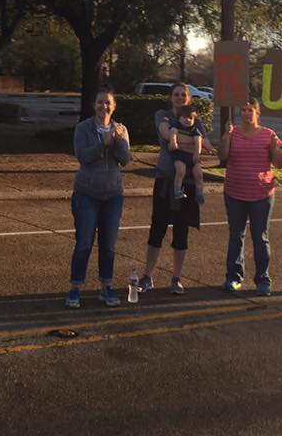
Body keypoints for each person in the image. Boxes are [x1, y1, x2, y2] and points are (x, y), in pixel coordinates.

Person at [137, 82, 211, 296]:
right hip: (166, 181)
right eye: (176, 94)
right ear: (171, 97)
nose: (179, 98)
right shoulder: (163, 115)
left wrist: (185, 141)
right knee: (157, 228)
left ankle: (176, 278)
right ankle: (147, 276)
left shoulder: (197, 120)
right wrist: (193, 141)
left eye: (183, 95)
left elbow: (207, 146)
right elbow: (168, 135)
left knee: (181, 231)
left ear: (189, 99)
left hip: (188, 183)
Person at [65, 86, 131, 309]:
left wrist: (117, 141)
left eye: (108, 102)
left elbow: (125, 159)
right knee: (84, 243)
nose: (104, 106)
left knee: (108, 245)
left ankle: (106, 286)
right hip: (87, 194)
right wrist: (103, 143)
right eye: (100, 102)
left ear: (114, 106)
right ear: (94, 105)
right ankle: (75, 287)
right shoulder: (83, 128)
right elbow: (83, 157)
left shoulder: (121, 129)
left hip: (113, 195)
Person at [218, 97, 282, 296]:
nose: (246, 113)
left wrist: (275, 148)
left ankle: (262, 280)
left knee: (260, 237)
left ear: (258, 113)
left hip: (261, 194)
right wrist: (226, 135)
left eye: (250, 110)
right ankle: (234, 277)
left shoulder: (268, 134)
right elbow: (222, 156)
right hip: (235, 193)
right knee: (236, 235)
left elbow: (279, 164)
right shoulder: (233, 132)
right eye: (243, 110)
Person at [168, 104, 205, 206]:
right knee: (180, 171)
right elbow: (173, 133)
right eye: (184, 117)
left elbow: (198, 141)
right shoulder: (176, 126)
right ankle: (177, 191)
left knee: (199, 174)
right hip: (180, 155)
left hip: (192, 156)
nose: (187, 120)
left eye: (190, 118)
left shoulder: (194, 130)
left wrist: (197, 153)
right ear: (179, 118)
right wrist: (173, 142)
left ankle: (199, 193)